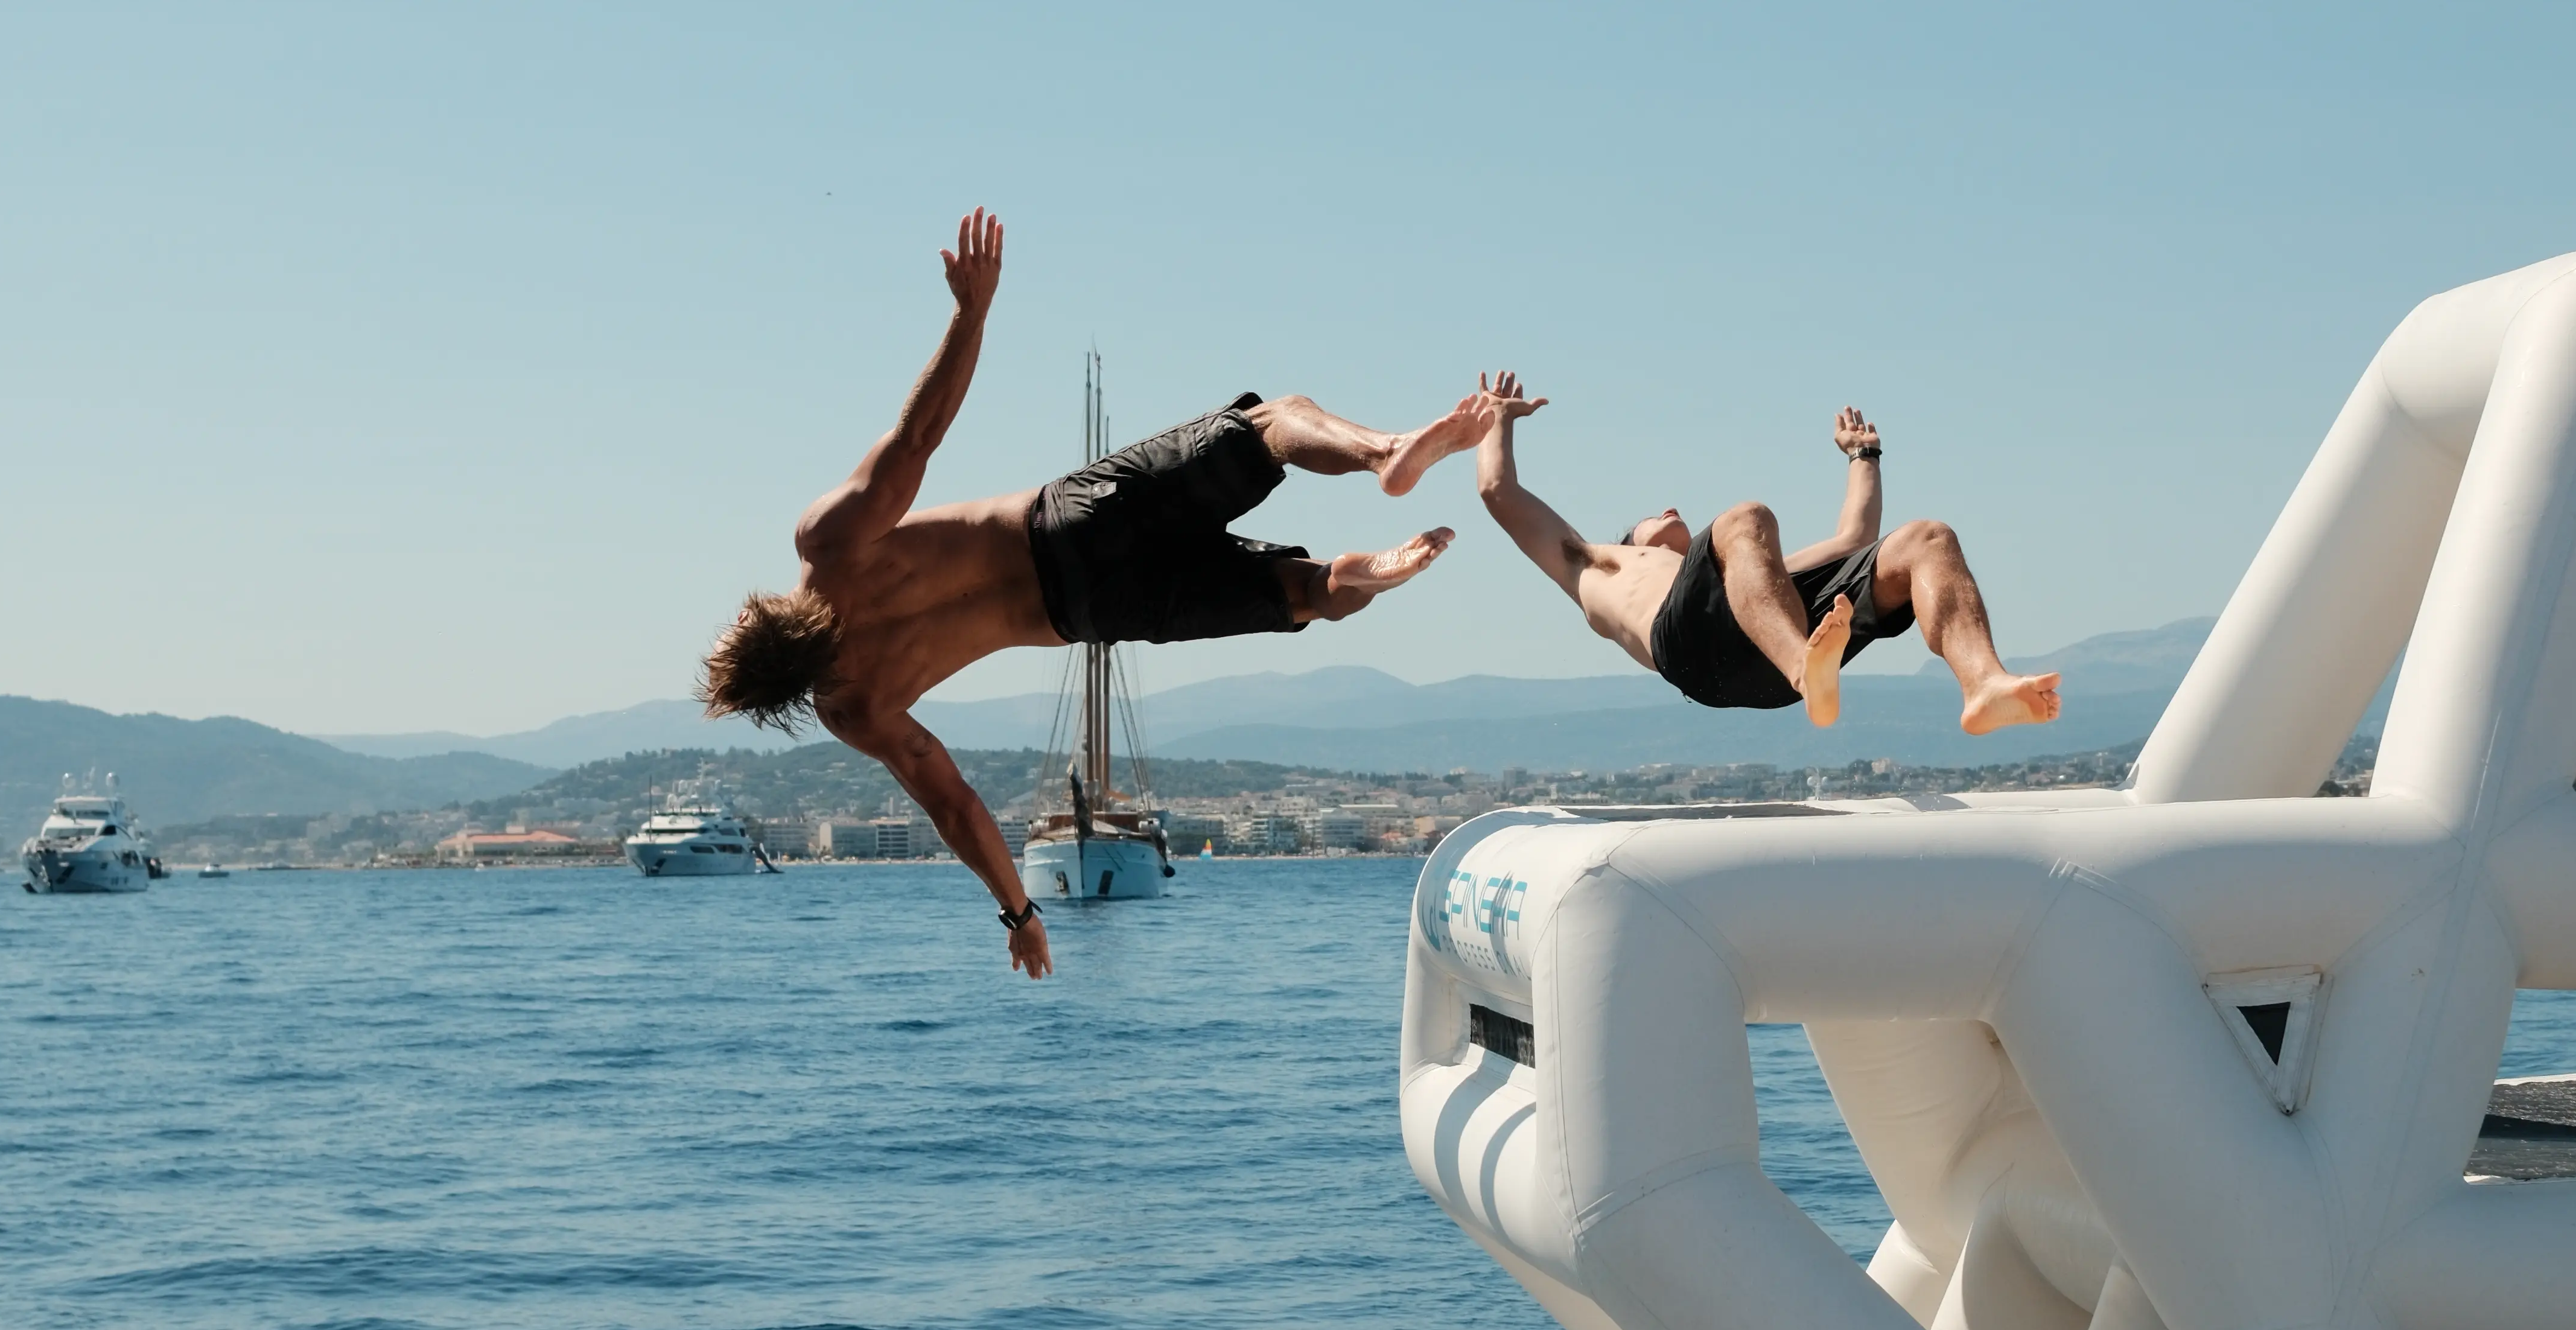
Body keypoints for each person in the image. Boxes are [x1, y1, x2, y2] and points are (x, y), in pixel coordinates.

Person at [700, 209, 1483, 968]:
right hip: (1069, 524)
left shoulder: (857, 709)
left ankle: (1359, 574)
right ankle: (1383, 452)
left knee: (1304, 594)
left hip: (1088, 610)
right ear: (759, 621)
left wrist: (1021, 914)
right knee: (1275, 425)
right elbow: (917, 440)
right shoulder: (827, 546)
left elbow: (956, 807)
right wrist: (971, 314)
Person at [1470, 377, 2059, 736]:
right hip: (1696, 652)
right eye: (1653, 514)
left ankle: (1983, 684)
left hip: (1774, 650)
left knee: (1927, 539)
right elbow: (1501, 495)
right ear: (1635, 542)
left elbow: (1856, 537)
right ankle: (1808, 670)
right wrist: (1498, 420)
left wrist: (1865, 455)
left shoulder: (1754, 580)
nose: (1670, 507)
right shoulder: (1594, 565)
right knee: (1746, 518)